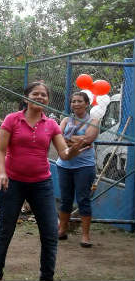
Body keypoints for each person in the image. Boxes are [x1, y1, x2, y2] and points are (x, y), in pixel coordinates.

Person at [0, 82, 86, 281]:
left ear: (48, 100)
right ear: (26, 98)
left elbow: (64, 154)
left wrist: (74, 150)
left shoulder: (50, 124)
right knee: (4, 231)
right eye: (36, 94)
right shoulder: (12, 119)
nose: (41, 97)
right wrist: (2, 173)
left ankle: (46, 277)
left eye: (44, 95)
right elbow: (0, 150)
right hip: (12, 183)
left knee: (50, 233)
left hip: (41, 184)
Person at [57, 92, 100, 248]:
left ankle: (85, 236)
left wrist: (68, 139)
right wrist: (76, 139)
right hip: (64, 165)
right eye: (73, 101)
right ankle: (62, 229)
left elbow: (88, 140)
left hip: (84, 167)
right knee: (65, 199)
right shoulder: (66, 120)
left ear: (86, 103)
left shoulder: (93, 121)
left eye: (79, 101)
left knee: (83, 199)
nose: (76, 104)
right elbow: (58, 137)